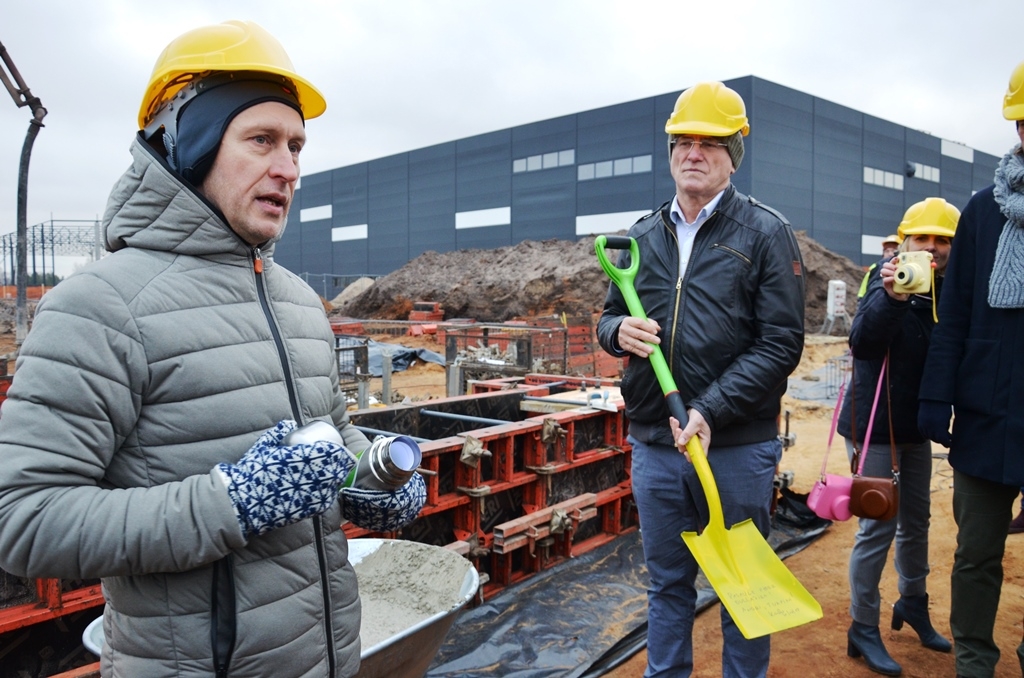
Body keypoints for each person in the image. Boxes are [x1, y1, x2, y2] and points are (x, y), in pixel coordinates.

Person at [0, 21, 425, 678]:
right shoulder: (103, 307)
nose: (288, 169)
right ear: (191, 146)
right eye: (261, 140)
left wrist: (363, 484)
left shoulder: (295, 302)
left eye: (296, 146)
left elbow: (327, 442)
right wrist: (229, 502)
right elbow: (21, 519)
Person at [597, 81, 805, 677]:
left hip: (736, 447)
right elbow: (610, 316)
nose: (693, 152)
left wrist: (709, 409)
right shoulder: (639, 236)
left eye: (709, 143)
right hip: (657, 444)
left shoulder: (765, 234)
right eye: (682, 141)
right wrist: (618, 334)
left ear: (734, 152)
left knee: (742, 591)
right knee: (666, 587)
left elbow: (781, 343)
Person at [918, 59, 1024, 678]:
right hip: (985, 414)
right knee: (977, 553)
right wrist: (938, 398)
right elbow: (952, 316)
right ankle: (974, 661)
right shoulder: (983, 211)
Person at [837, 198, 959, 676]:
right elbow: (863, 342)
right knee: (878, 528)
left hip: (918, 428)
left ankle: (913, 604)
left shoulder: (954, 290)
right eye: (922, 238)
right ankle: (862, 626)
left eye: (942, 239)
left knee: (918, 523)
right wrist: (894, 297)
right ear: (904, 241)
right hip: (876, 426)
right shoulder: (882, 279)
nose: (932, 248)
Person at [857, 234, 902, 298]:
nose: (890, 254)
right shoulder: (875, 267)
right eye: (887, 251)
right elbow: (864, 289)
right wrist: (861, 299)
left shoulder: (904, 269)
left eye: (893, 251)